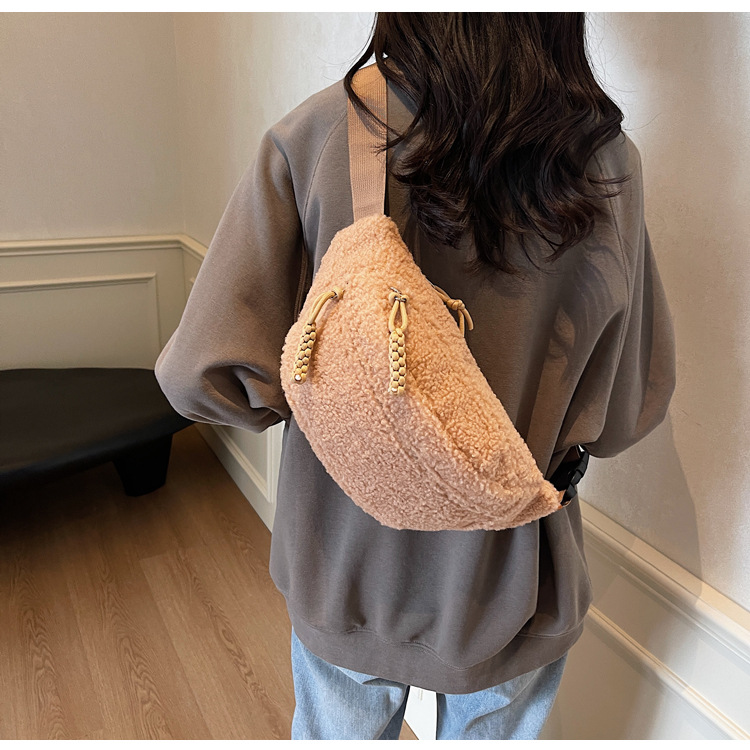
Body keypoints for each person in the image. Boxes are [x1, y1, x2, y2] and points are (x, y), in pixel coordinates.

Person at [154, 12, 676, 741]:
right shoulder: (607, 161)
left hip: (344, 563)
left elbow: (198, 374)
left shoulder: (324, 131)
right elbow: (628, 411)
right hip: (510, 579)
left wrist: (329, 397)